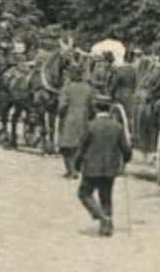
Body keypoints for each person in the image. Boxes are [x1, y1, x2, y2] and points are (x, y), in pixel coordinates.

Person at [74, 94, 132, 236]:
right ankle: (107, 227)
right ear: (110, 108)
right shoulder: (117, 127)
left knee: (84, 193)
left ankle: (102, 218)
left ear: (95, 107)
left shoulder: (90, 126)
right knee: (106, 196)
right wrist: (125, 159)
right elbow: (126, 149)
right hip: (111, 168)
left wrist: (76, 164)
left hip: (92, 167)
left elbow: (82, 148)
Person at [56, 68, 95, 179]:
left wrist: (60, 115)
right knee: (80, 145)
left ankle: (71, 171)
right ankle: (78, 169)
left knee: (66, 147)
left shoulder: (67, 89)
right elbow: (92, 105)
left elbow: (62, 105)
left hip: (70, 118)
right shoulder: (88, 89)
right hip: (83, 119)